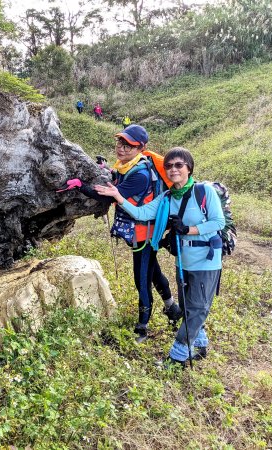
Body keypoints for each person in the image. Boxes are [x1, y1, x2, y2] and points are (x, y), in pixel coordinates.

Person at [94, 147, 225, 366]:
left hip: (207, 260)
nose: (173, 169)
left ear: (189, 168)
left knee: (196, 309)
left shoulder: (204, 192)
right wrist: (119, 197)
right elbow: (143, 213)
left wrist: (187, 229)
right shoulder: (166, 197)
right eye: (169, 166)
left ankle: (178, 356)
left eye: (179, 165)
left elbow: (218, 222)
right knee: (188, 307)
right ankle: (200, 345)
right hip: (184, 260)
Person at [58, 124, 180, 342]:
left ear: (141, 148)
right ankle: (172, 308)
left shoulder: (140, 174)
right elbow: (117, 179)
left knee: (141, 279)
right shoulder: (128, 166)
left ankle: (142, 328)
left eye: (128, 146)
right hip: (143, 232)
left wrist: (81, 186)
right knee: (152, 272)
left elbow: (109, 196)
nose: (121, 149)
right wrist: (106, 169)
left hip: (144, 234)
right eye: (120, 143)